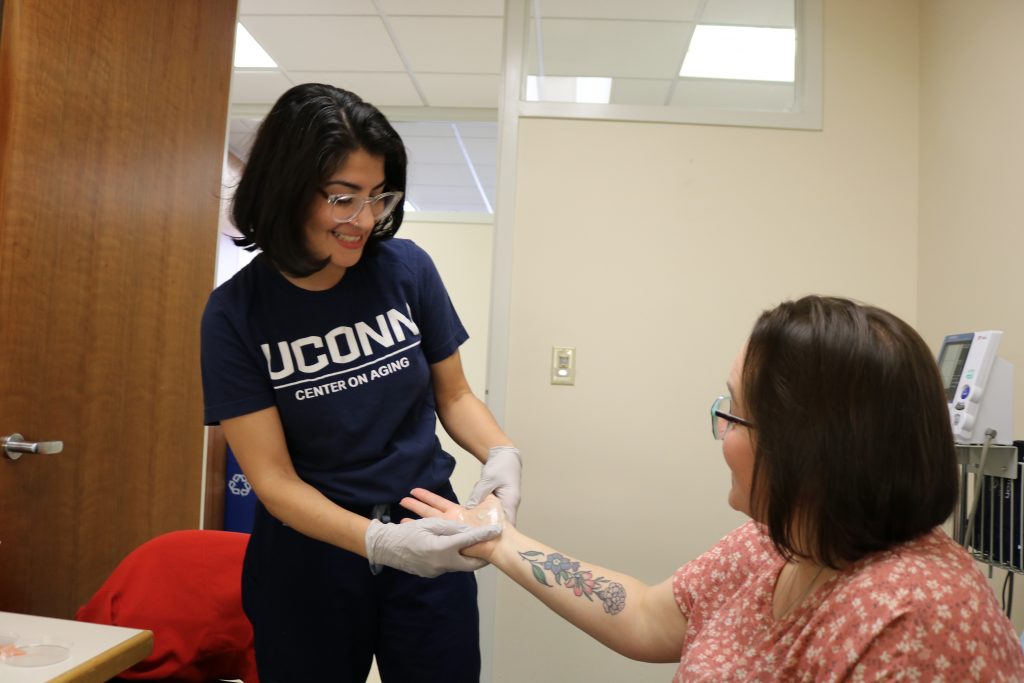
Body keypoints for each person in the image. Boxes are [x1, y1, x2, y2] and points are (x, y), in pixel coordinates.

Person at [403, 295, 1024, 681]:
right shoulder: (783, 540)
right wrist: (498, 540)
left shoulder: (916, 619)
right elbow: (646, 616)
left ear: (805, 448)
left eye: (734, 412)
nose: (720, 428)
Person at [200, 83, 517, 683]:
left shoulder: (407, 269)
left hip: (427, 525)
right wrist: (379, 543)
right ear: (287, 190)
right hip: (309, 559)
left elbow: (453, 395)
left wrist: (501, 452)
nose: (365, 220)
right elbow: (272, 480)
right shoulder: (233, 315)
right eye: (343, 199)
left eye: (378, 196)